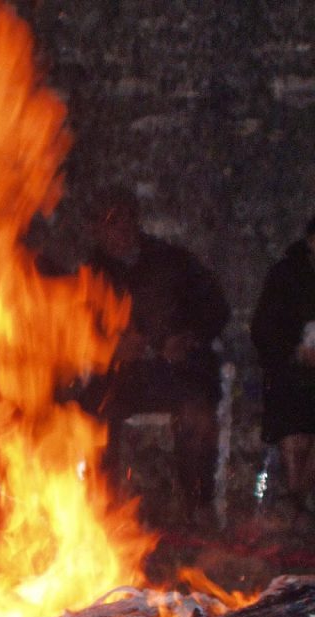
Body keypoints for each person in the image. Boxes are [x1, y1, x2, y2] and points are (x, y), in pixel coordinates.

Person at [78, 187, 230, 521]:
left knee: (197, 415)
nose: (121, 229)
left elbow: (216, 307)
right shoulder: (91, 274)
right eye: (110, 223)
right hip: (123, 376)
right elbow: (78, 331)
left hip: (178, 371)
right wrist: (110, 347)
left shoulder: (172, 261)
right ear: (97, 230)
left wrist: (186, 337)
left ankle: (198, 505)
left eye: (125, 219)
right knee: (94, 416)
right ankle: (104, 511)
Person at [250, 215, 315, 523]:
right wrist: (295, 352)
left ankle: (301, 502)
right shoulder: (286, 276)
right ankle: (294, 500)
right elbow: (264, 330)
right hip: (290, 374)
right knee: (294, 427)